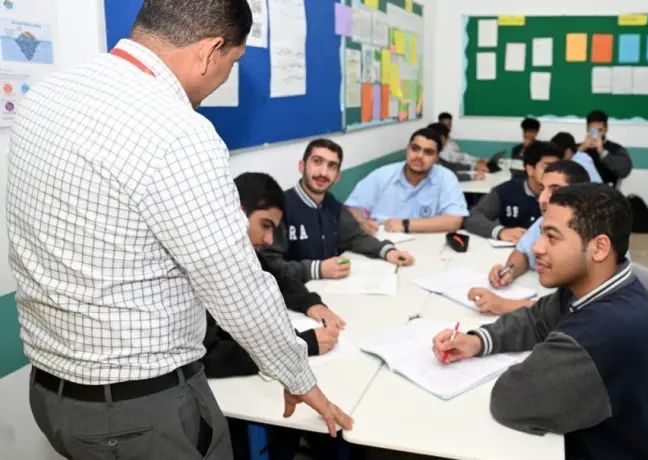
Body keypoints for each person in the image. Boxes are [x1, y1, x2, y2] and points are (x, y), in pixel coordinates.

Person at [6, 1, 351, 458]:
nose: (224, 77)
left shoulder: (47, 95)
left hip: (53, 395)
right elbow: (237, 286)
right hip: (139, 412)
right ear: (210, 51)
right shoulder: (178, 132)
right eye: (233, 62)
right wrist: (297, 375)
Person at [433, 183, 648, 460]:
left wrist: (543, 361)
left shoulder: (603, 331)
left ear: (599, 248)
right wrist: (478, 341)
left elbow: (510, 399)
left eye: (552, 237)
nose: (536, 247)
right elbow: (537, 319)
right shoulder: (598, 284)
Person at [205, 173, 348, 460]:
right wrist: (302, 343)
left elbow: (277, 277)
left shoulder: (241, 250)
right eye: (265, 226)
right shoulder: (201, 260)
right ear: (237, 211)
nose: (269, 240)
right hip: (217, 398)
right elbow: (208, 356)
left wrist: (311, 303)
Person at [262, 139, 414, 282]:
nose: (323, 172)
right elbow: (268, 266)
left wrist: (387, 251)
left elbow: (355, 237)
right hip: (292, 293)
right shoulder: (278, 208)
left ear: (337, 177)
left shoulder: (333, 205)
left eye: (332, 166)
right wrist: (317, 269)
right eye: (317, 162)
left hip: (328, 287)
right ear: (302, 166)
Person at [487, 161, 591, 297]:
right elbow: (523, 252)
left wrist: (504, 305)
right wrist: (510, 270)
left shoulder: (591, 233)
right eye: (542, 189)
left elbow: (569, 305)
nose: (542, 199)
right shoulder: (543, 221)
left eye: (555, 191)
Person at [346, 128, 469, 233]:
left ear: (437, 158)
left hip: (427, 243)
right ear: (407, 149)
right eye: (415, 149)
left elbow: (455, 220)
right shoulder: (382, 175)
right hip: (381, 240)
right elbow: (352, 208)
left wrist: (405, 224)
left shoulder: (445, 177)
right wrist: (361, 221)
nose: (419, 156)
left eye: (428, 152)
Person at [464, 141, 563, 242]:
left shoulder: (564, 194)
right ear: (530, 169)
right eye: (548, 167)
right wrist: (500, 231)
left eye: (557, 168)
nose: (553, 173)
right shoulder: (505, 191)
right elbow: (472, 217)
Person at [577, 110, 633, 186]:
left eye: (599, 130)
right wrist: (581, 149)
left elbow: (624, 171)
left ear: (606, 129)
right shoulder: (577, 148)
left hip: (608, 191)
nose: (596, 134)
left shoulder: (616, 149)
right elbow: (564, 167)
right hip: (580, 191)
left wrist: (602, 152)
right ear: (587, 129)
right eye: (592, 130)